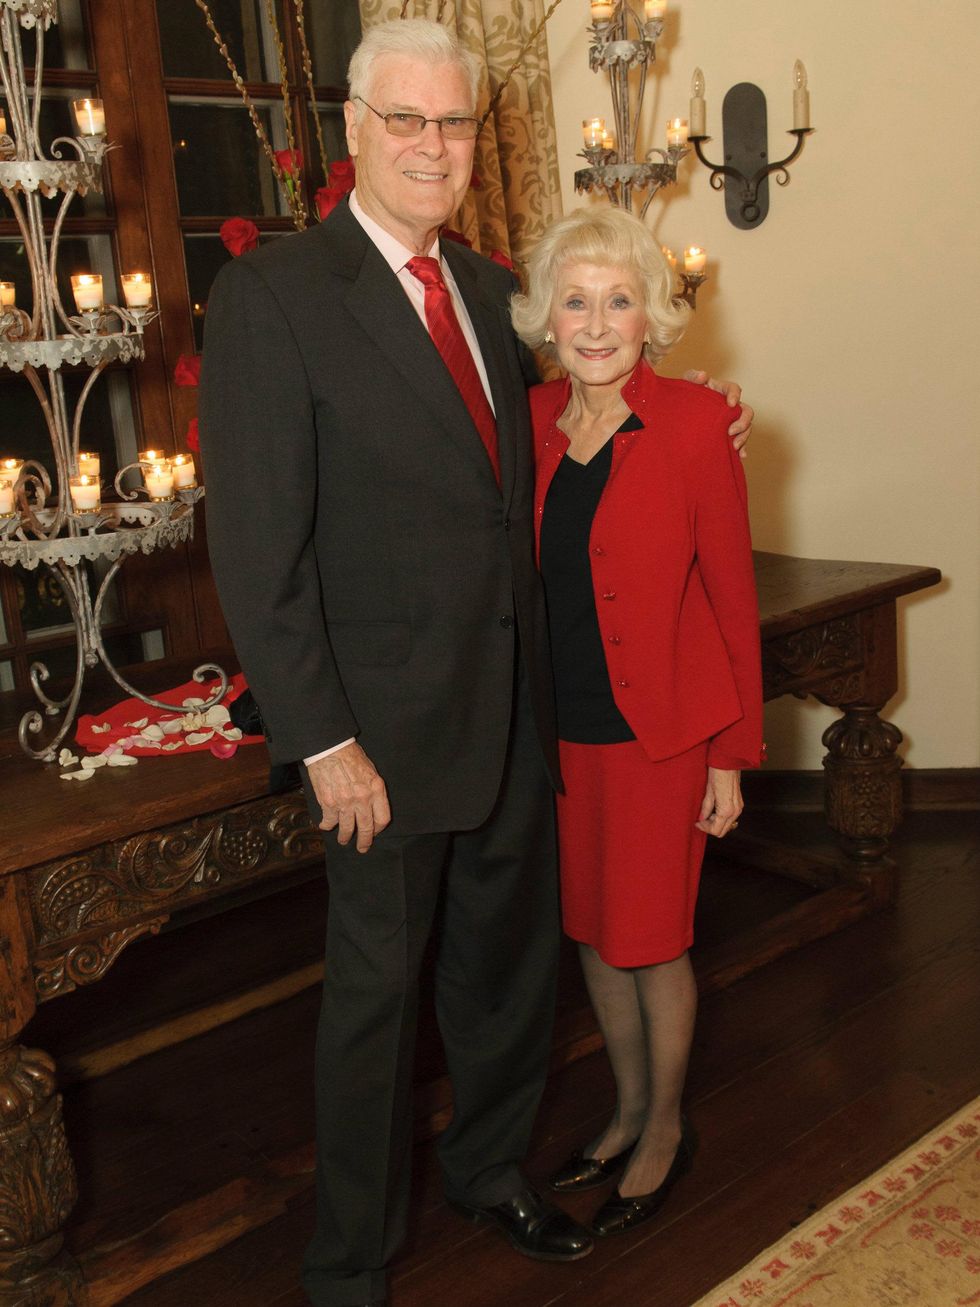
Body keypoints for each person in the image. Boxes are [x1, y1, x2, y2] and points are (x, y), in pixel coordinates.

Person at [199, 19, 752, 1307]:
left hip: (520, 725)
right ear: (354, 130)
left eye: (452, 122)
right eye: (406, 120)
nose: (432, 146)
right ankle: (347, 1261)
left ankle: (490, 1167)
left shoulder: (497, 291)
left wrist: (698, 407)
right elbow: (257, 547)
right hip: (377, 750)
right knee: (375, 1009)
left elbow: (596, 400)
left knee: (504, 981)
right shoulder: (275, 296)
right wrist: (322, 738)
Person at [511, 205, 764, 1238]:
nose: (597, 320)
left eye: (619, 298)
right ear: (545, 317)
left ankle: (662, 1126)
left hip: (661, 737)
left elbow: (731, 597)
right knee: (592, 937)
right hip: (558, 738)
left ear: (650, 314)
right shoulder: (521, 425)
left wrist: (731, 756)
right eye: (576, 299)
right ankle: (620, 1110)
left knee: (651, 940)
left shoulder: (698, 424)